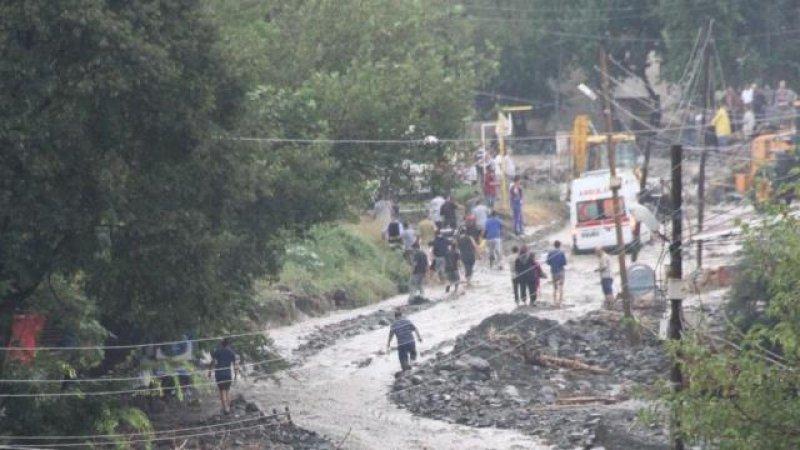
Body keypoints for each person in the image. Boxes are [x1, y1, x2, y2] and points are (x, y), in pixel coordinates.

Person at [208, 338, 240, 415]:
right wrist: (236, 375)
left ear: (221, 344)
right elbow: (235, 365)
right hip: (228, 374)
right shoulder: (231, 353)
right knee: (227, 391)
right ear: (229, 344)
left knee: (222, 392)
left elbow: (212, 362)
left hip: (219, 374)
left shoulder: (217, 351)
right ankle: (228, 407)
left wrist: (209, 372)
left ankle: (225, 409)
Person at [545, 240, 567, 307]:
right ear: (559, 245)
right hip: (561, 271)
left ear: (554, 245)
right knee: (561, 287)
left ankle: (554, 302)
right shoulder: (562, 252)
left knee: (554, 287)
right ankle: (560, 302)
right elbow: (565, 263)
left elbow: (548, 262)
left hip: (553, 271)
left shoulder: (550, 252)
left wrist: (553, 264)